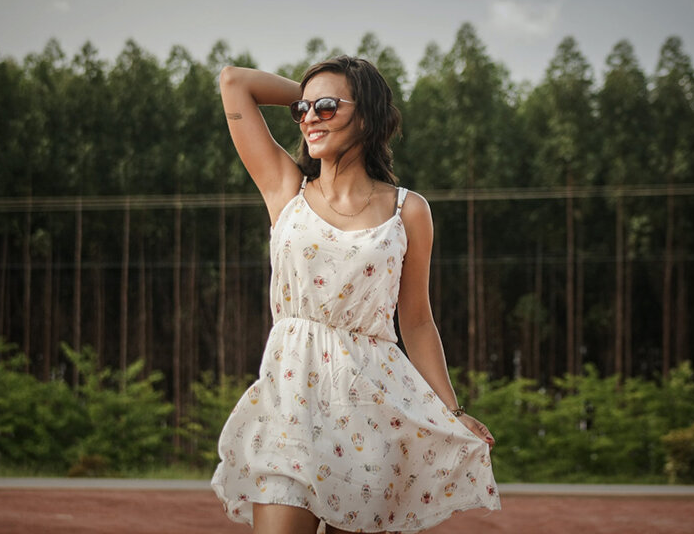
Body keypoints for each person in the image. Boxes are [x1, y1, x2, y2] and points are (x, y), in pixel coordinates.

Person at [210, 56, 500, 534]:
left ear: (367, 115)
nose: (308, 118)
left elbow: (418, 322)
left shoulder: (408, 211)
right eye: (302, 109)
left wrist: (452, 413)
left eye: (325, 106)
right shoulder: (286, 190)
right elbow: (235, 81)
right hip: (290, 403)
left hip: (372, 407)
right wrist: (316, 100)